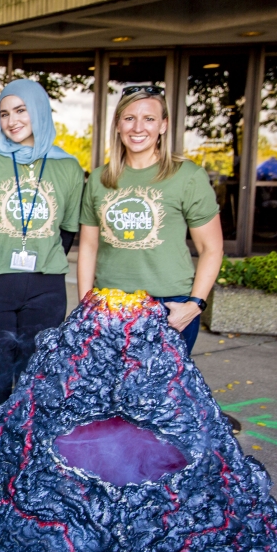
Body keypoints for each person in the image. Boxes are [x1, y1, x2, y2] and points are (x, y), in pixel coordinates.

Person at [0, 79, 85, 450]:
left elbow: (68, 232)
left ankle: (27, 462)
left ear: (39, 111)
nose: (12, 121)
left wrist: (38, 257)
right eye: (4, 113)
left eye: (21, 110)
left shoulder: (68, 168)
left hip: (46, 288)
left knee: (37, 378)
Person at [77, 84, 224, 357]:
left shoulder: (187, 176)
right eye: (129, 118)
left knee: (160, 398)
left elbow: (211, 248)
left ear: (163, 125)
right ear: (118, 125)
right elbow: (88, 247)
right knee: (110, 397)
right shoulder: (99, 179)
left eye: (149, 119)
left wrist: (194, 306)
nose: (138, 128)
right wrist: (86, 305)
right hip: (110, 308)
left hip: (170, 307)